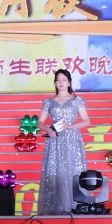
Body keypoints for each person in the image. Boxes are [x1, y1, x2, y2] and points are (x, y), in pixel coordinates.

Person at [38, 69, 91, 215]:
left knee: (73, 172)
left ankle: (76, 209)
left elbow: (86, 121)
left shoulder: (77, 100)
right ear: (55, 83)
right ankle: (54, 211)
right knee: (54, 173)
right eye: (58, 80)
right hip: (55, 140)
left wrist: (70, 126)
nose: (61, 83)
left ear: (69, 82)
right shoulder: (48, 102)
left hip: (72, 140)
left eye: (64, 80)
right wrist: (48, 129)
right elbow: (40, 122)